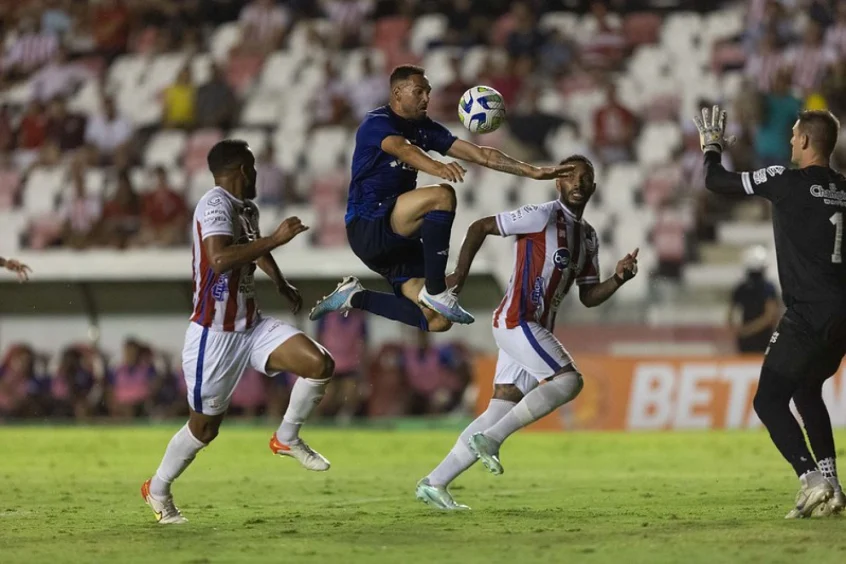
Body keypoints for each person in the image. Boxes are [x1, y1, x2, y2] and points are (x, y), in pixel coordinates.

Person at [415, 154, 638, 510]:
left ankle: (435, 482)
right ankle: (492, 441)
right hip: (516, 320)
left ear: (594, 187)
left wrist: (619, 278)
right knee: (569, 381)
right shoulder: (543, 215)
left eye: (584, 178)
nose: (577, 183)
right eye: (569, 176)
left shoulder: (589, 237)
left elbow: (589, 296)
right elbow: (480, 227)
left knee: (499, 409)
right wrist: (459, 275)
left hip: (530, 328)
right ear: (558, 183)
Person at [141, 139, 336, 524]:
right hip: (214, 335)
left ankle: (287, 437)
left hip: (252, 325)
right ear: (243, 170)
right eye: (254, 169)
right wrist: (277, 238)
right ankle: (158, 488)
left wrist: (280, 281)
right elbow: (219, 258)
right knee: (204, 429)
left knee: (319, 363)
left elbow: (253, 249)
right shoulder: (214, 204)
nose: (258, 176)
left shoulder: (246, 208)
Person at [309, 64, 573, 332]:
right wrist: (438, 167)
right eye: (419, 91)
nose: (426, 98)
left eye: (428, 92)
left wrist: (533, 170)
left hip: (396, 243)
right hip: (369, 223)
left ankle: (355, 297)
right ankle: (436, 291)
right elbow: (401, 149)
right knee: (442, 196)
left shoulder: (423, 128)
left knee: (437, 321)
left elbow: (481, 154)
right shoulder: (377, 122)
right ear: (398, 92)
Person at [693, 105, 846, 518]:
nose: (791, 140)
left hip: (808, 313)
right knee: (807, 390)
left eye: (795, 134)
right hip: (841, 315)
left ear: (807, 142)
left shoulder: (785, 180)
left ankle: (810, 478)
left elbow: (715, 180)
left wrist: (712, 146)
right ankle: (832, 483)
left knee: (768, 401)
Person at [728, 245, 780, 353]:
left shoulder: (741, 287)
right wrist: (749, 330)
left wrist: (743, 330)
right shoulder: (768, 287)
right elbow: (770, 316)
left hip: (748, 339)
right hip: (763, 339)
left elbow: (730, 316)